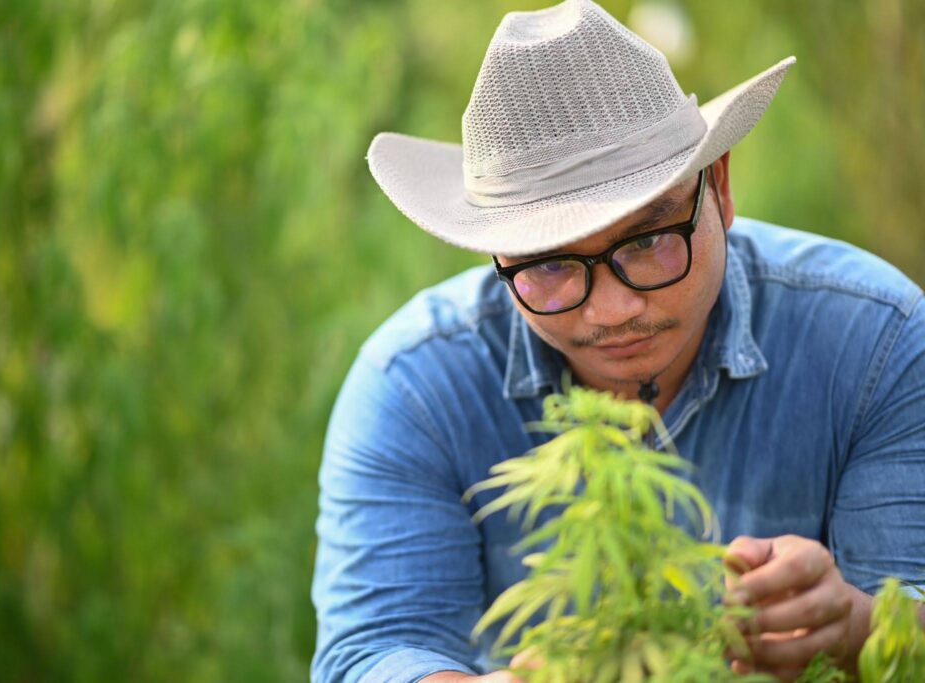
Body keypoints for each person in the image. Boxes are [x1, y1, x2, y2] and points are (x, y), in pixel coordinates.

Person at [311, 1, 925, 681]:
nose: (612, 307)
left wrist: (856, 624)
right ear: (496, 256)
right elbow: (373, 650)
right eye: (548, 265)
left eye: (651, 240)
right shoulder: (416, 386)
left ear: (718, 187)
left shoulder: (872, 340)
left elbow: (914, 604)